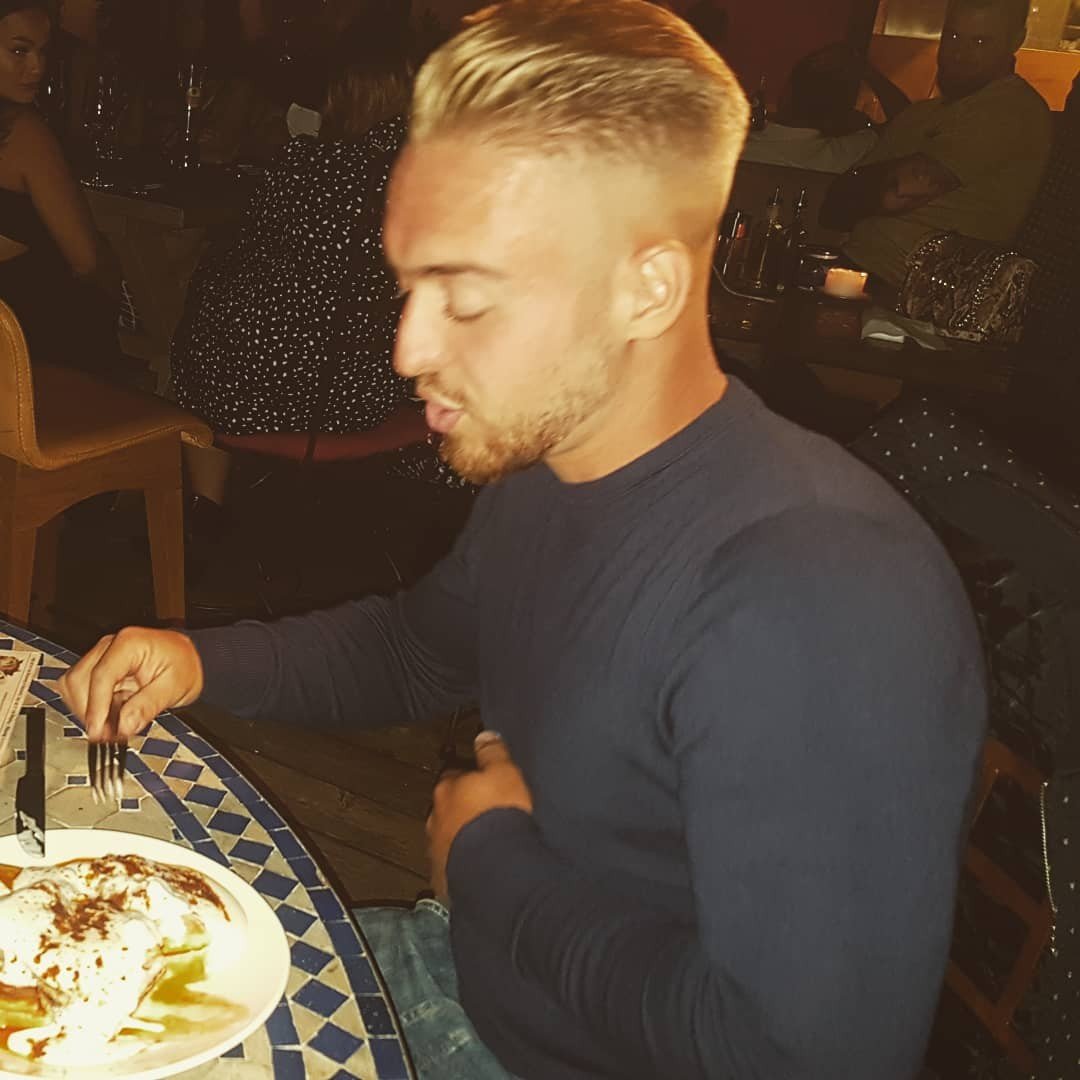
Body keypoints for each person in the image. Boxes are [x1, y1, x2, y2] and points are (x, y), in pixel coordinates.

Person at [61, 2, 987, 1078]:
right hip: (465, 961)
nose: (407, 349)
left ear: (646, 288)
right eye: (409, 286)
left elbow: (802, 1060)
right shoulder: (551, 467)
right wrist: (199, 660)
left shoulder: (820, 595)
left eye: (466, 295)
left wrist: (493, 859)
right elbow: (416, 650)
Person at [169, 16, 418, 519]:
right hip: (331, 400)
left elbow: (242, 258)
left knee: (222, 323)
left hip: (218, 385)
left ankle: (204, 509)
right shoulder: (422, 182)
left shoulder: (300, 160)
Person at [821, 0, 1054, 288]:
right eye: (953, 36)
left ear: (1016, 40)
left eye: (980, 42)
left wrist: (855, 189)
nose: (959, 54)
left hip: (908, 293)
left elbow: (900, 190)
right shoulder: (924, 113)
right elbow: (839, 205)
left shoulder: (1010, 108)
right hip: (853, 269)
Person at [0, 0, 122, 377]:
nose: (37, 67)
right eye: (19, 51)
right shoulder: (24, 133)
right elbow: (87, 261)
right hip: (34, 350)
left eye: (43, 51)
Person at [741, 43, 879, 173]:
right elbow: (891, 132)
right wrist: (867, 71)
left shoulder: (740, 146)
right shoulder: (842, 154)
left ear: (785, 96)